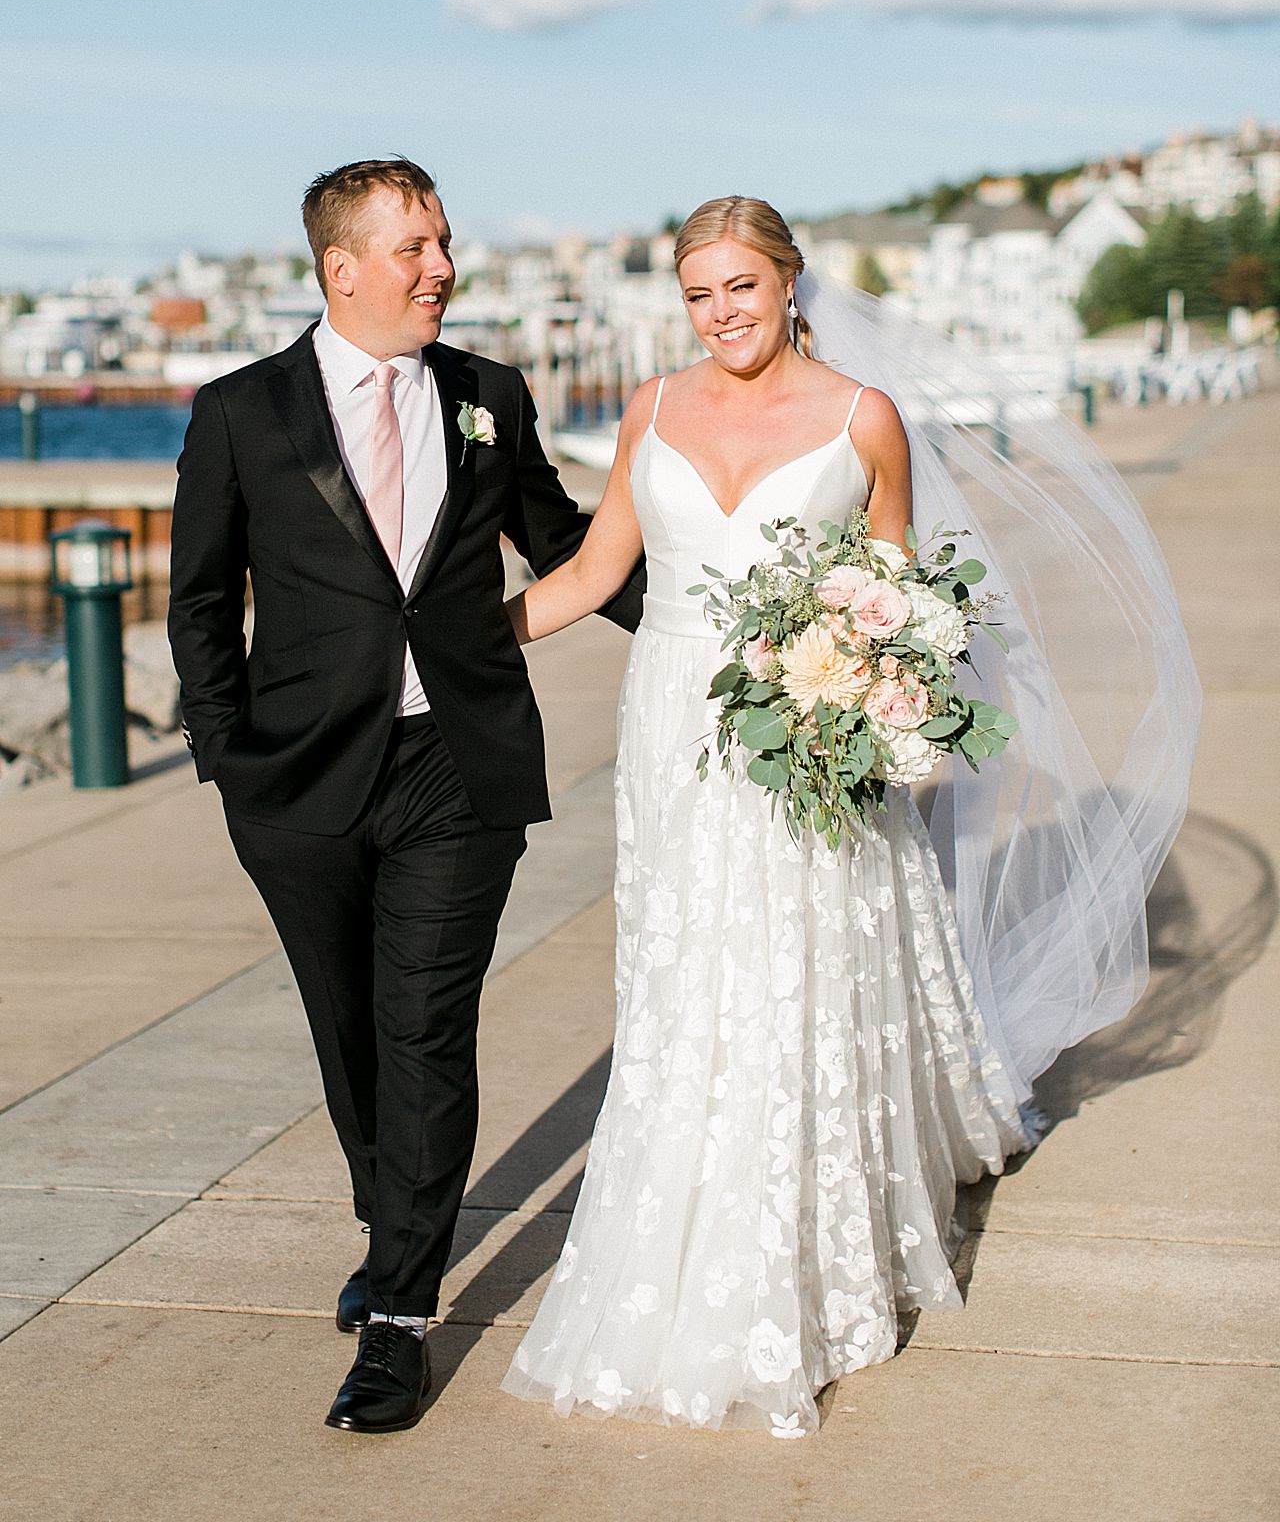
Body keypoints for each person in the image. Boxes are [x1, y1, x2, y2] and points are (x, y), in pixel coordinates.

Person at [499, 194, 1197, 1436]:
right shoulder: (650, 409)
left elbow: (898, 595)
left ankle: (795, 1261)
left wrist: (880, 706)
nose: (720, 315)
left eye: (741, 289)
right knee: (684, 979)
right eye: (698, 294)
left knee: (795, 968)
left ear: (787, 284)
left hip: (800, 732)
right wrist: (453, 647)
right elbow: (599, 570)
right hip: (669, 726)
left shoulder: (863, 419)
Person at [167, 157, 643, 1435]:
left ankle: (400, 1319)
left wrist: (720, 631)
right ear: (343, 267)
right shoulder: (241, 412)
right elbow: (201, 604)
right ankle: (394, 1230)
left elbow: (560, 539)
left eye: (444, 241)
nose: (443, 267)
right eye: (417, 247)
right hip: (300, 780)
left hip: (458, 767)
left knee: (423, 1027)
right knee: (350, 1032)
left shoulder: (490, 393)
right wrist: (229, 760)